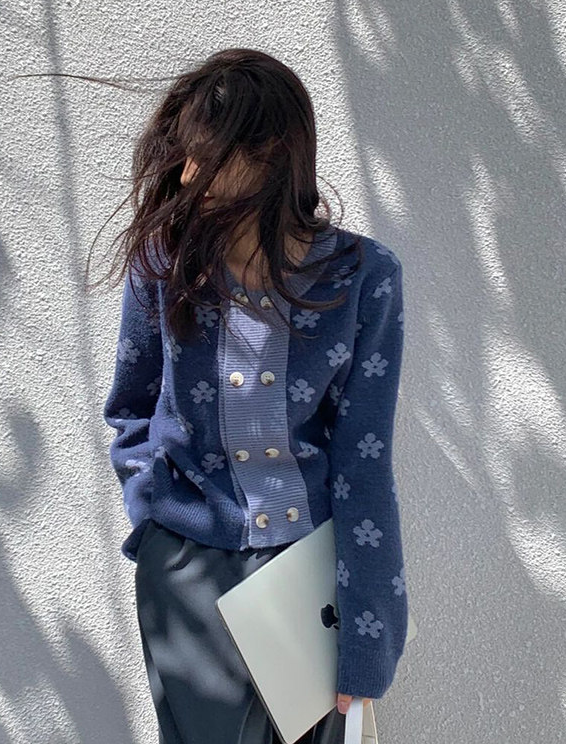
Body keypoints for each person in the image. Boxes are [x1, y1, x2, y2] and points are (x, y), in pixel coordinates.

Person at [101, 48, 408, 744]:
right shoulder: (163, 262)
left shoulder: (365, 279)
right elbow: (131, 406)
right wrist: (156, 523)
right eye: (185, 154)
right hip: (187, 570)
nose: (187, 174)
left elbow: (364, 462)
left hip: (311, 571)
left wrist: (370, 630)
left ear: (272, 155)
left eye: (208, 156)